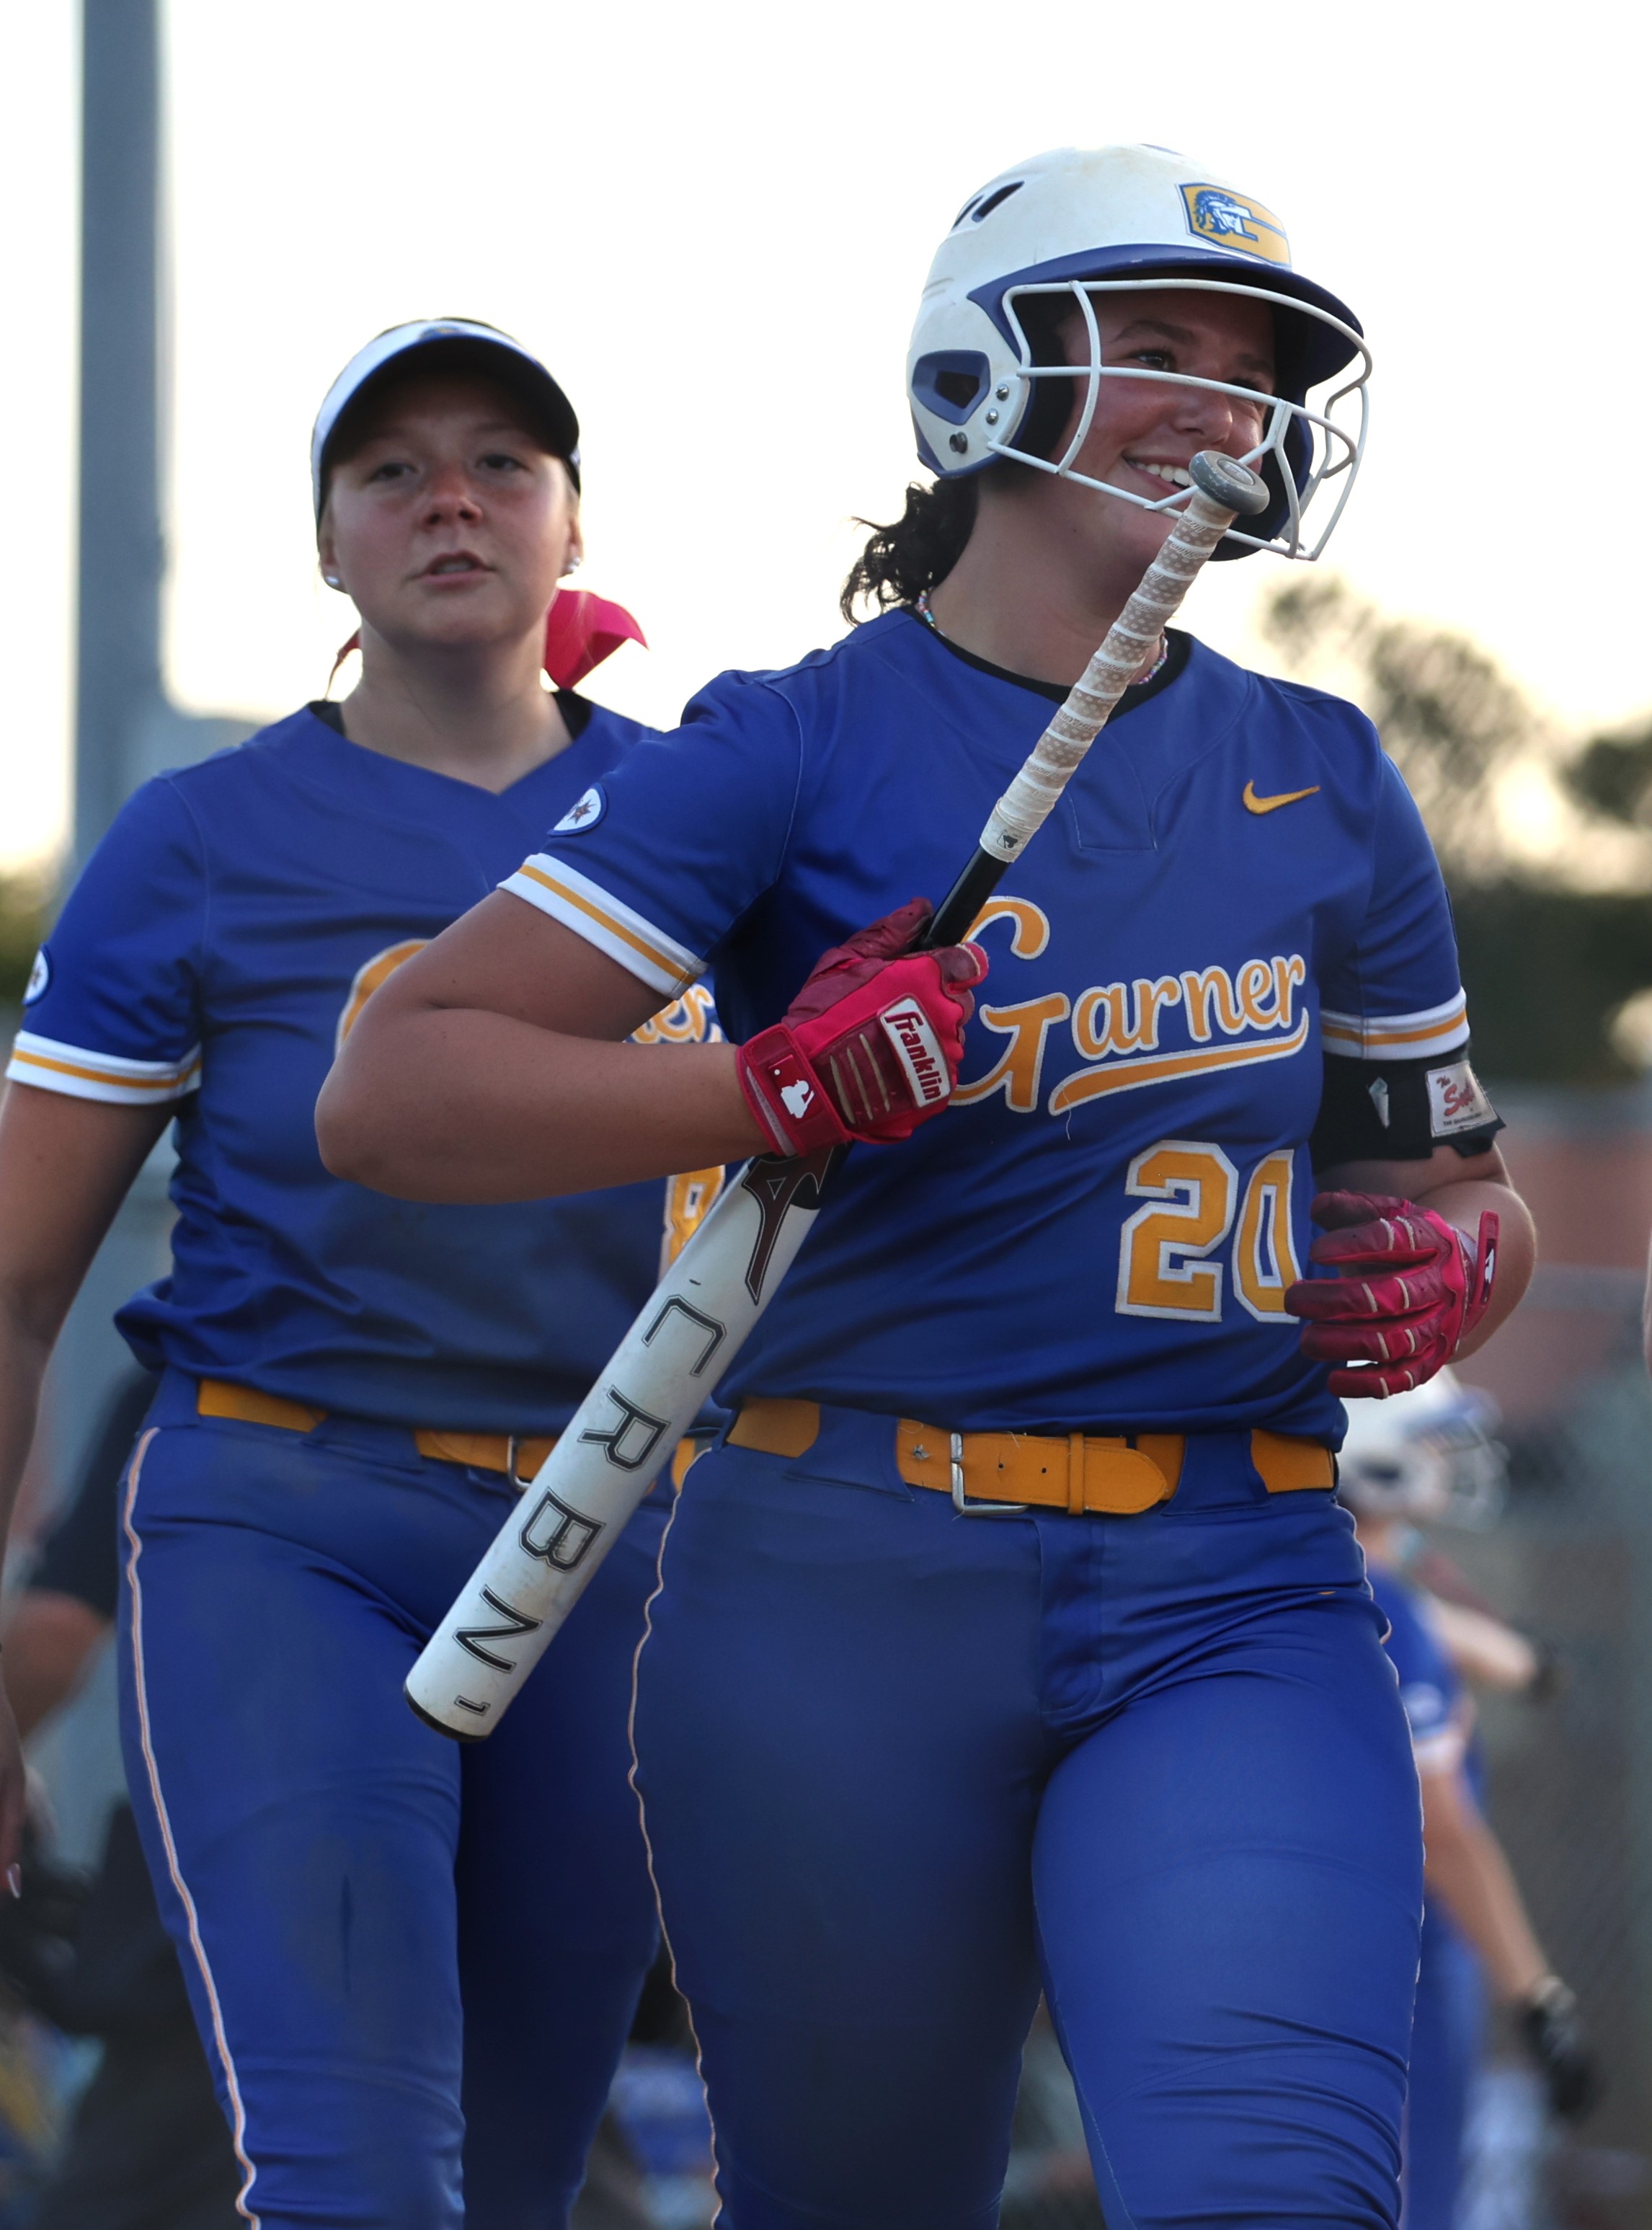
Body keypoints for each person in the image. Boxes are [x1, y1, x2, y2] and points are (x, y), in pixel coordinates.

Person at [320, 151, 1538, 2229]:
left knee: (1273, 2185)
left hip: (1230, 1571)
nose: (1221, 402)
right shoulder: (790, 745)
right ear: (983, 373)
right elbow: (395, 1091)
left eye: (1253, 371)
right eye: (1158, 345)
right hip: (838, 1576)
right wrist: (762, 1075)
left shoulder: (1326, 772)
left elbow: (1453, 1184)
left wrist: (1454, 1266)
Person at [0, 317, 723, 2230]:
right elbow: (16, 1278)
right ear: (326, 543)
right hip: (291, 1516)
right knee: (356, 2170)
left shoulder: (711, 816)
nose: (449, 501)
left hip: (617, 1539)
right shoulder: (201, 837)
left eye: (501, 463)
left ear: (573, 522)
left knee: (522, 2176)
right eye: (391, 471)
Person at [1338, 1377, 1600, 2229]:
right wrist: (1538, 1995)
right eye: (1428, 1441)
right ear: (1372, 1460)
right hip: (1404, 1970)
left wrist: (1513, 1658)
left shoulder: (1334, 1587)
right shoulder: (1392, 1617)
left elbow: (1412, 1614)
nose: (1446, 1460)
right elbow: (1443, 1833)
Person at [0, 1370, 241, 2230]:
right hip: (488, 1871)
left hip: (235, 1889)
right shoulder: (539, 1357)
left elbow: (55, 1634)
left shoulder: (209, 1356)